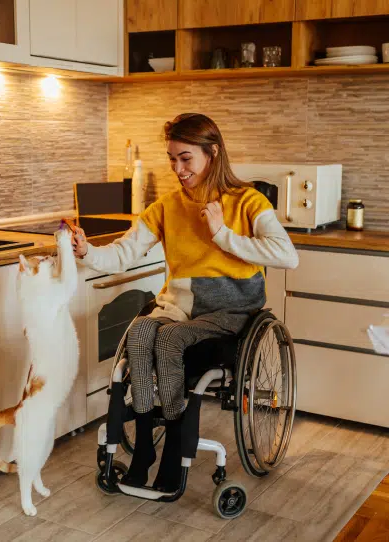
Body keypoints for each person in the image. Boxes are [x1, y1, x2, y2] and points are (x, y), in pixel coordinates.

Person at [71, 113, 299, 492]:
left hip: (232, 311)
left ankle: (175, 449)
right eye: (172, 158)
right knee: (140, 332)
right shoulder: (167, 206)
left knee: (169, 339)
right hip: (180, 306)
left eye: (185, 158)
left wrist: (223, 235)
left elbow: (287, 255)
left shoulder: (248, 201)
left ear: (212, 153)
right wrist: (88, 251)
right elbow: (125, 252)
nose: (177, 168)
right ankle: (144, 448)